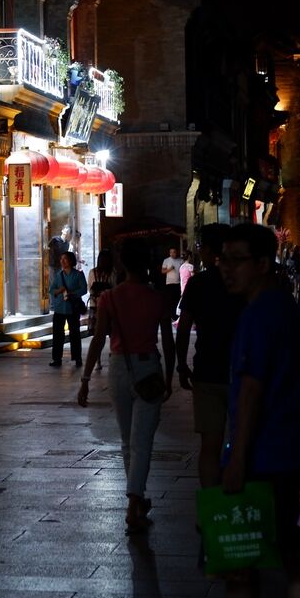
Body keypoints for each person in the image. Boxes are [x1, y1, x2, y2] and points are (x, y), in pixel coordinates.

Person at [218, 223, 300, 598]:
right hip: (293, 454)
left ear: (262, 264)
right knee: (297, 559)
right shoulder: (287, 309)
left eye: (237, 260)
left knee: (240, 565)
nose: (226, 269)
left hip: (262, 458)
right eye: (223, 260)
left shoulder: (258, 315)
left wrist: (236, 460)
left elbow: (251, 391)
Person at [77, 237, 176, 531]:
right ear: (147, 263)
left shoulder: (110, 297)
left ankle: (137, 498)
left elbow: (98, 339)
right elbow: (167, 341)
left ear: (123, 263)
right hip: (148, 367)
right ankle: (134, 504)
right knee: (142, 441)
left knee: (126, 440)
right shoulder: (157, 298)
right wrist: (170, 375)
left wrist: (85, 379)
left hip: (119, 367)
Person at [175, 223, 242, 489]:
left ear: (211, 250)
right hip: (242, 371)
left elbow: (183, 327)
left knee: (210, 446)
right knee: (243, 440)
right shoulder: (242, 280)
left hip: (207, 370)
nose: (199, 251)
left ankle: (212, 505)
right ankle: (241, 501)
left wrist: (181, 364)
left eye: (201, 246)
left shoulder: (199, 283)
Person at [49, 251, 88, 368]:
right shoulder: (58, 275)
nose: (62, 261)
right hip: (59, 308)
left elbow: (84, 289)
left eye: (65, 259)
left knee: (75, 334)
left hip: (73, 309)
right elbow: (52, 290)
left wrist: (72, 293)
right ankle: (57, 358)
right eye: (61, 259)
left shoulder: (78, 274)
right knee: (57, 335)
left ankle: (77, 358)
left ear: (71, 261)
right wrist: (59, 290)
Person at [86, 249, 117, 372]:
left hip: (95, 305)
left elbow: (90, 288)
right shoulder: (112, 273)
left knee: (97, 335)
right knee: (111, 333)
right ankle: (112, 355)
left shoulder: (92, 272)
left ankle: (97, 360)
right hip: (108, 306)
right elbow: (114, 288)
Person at [160, 246, 183, 319]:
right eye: (171, 252)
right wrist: (169, 269)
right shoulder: (166, 260)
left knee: (177, 299)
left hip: (178, 283)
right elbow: (162, 271)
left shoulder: (180, 260)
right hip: (169, 283)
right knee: (170, 300)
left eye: (174, 252)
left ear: (177, 253)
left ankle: (176, 316)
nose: (172, 254)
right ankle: (170, 316)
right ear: (169, 253)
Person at [48, 225, 71, 294]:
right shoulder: (55, 240)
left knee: (60, 284)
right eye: (66, 229)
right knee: (53, 284)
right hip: (53, 265)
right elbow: (47, 249)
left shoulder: (67, 244)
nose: (67, 230)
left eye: (68, 230)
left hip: (61, 266)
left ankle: (58, 299)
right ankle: (52, 299)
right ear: (62, 230)